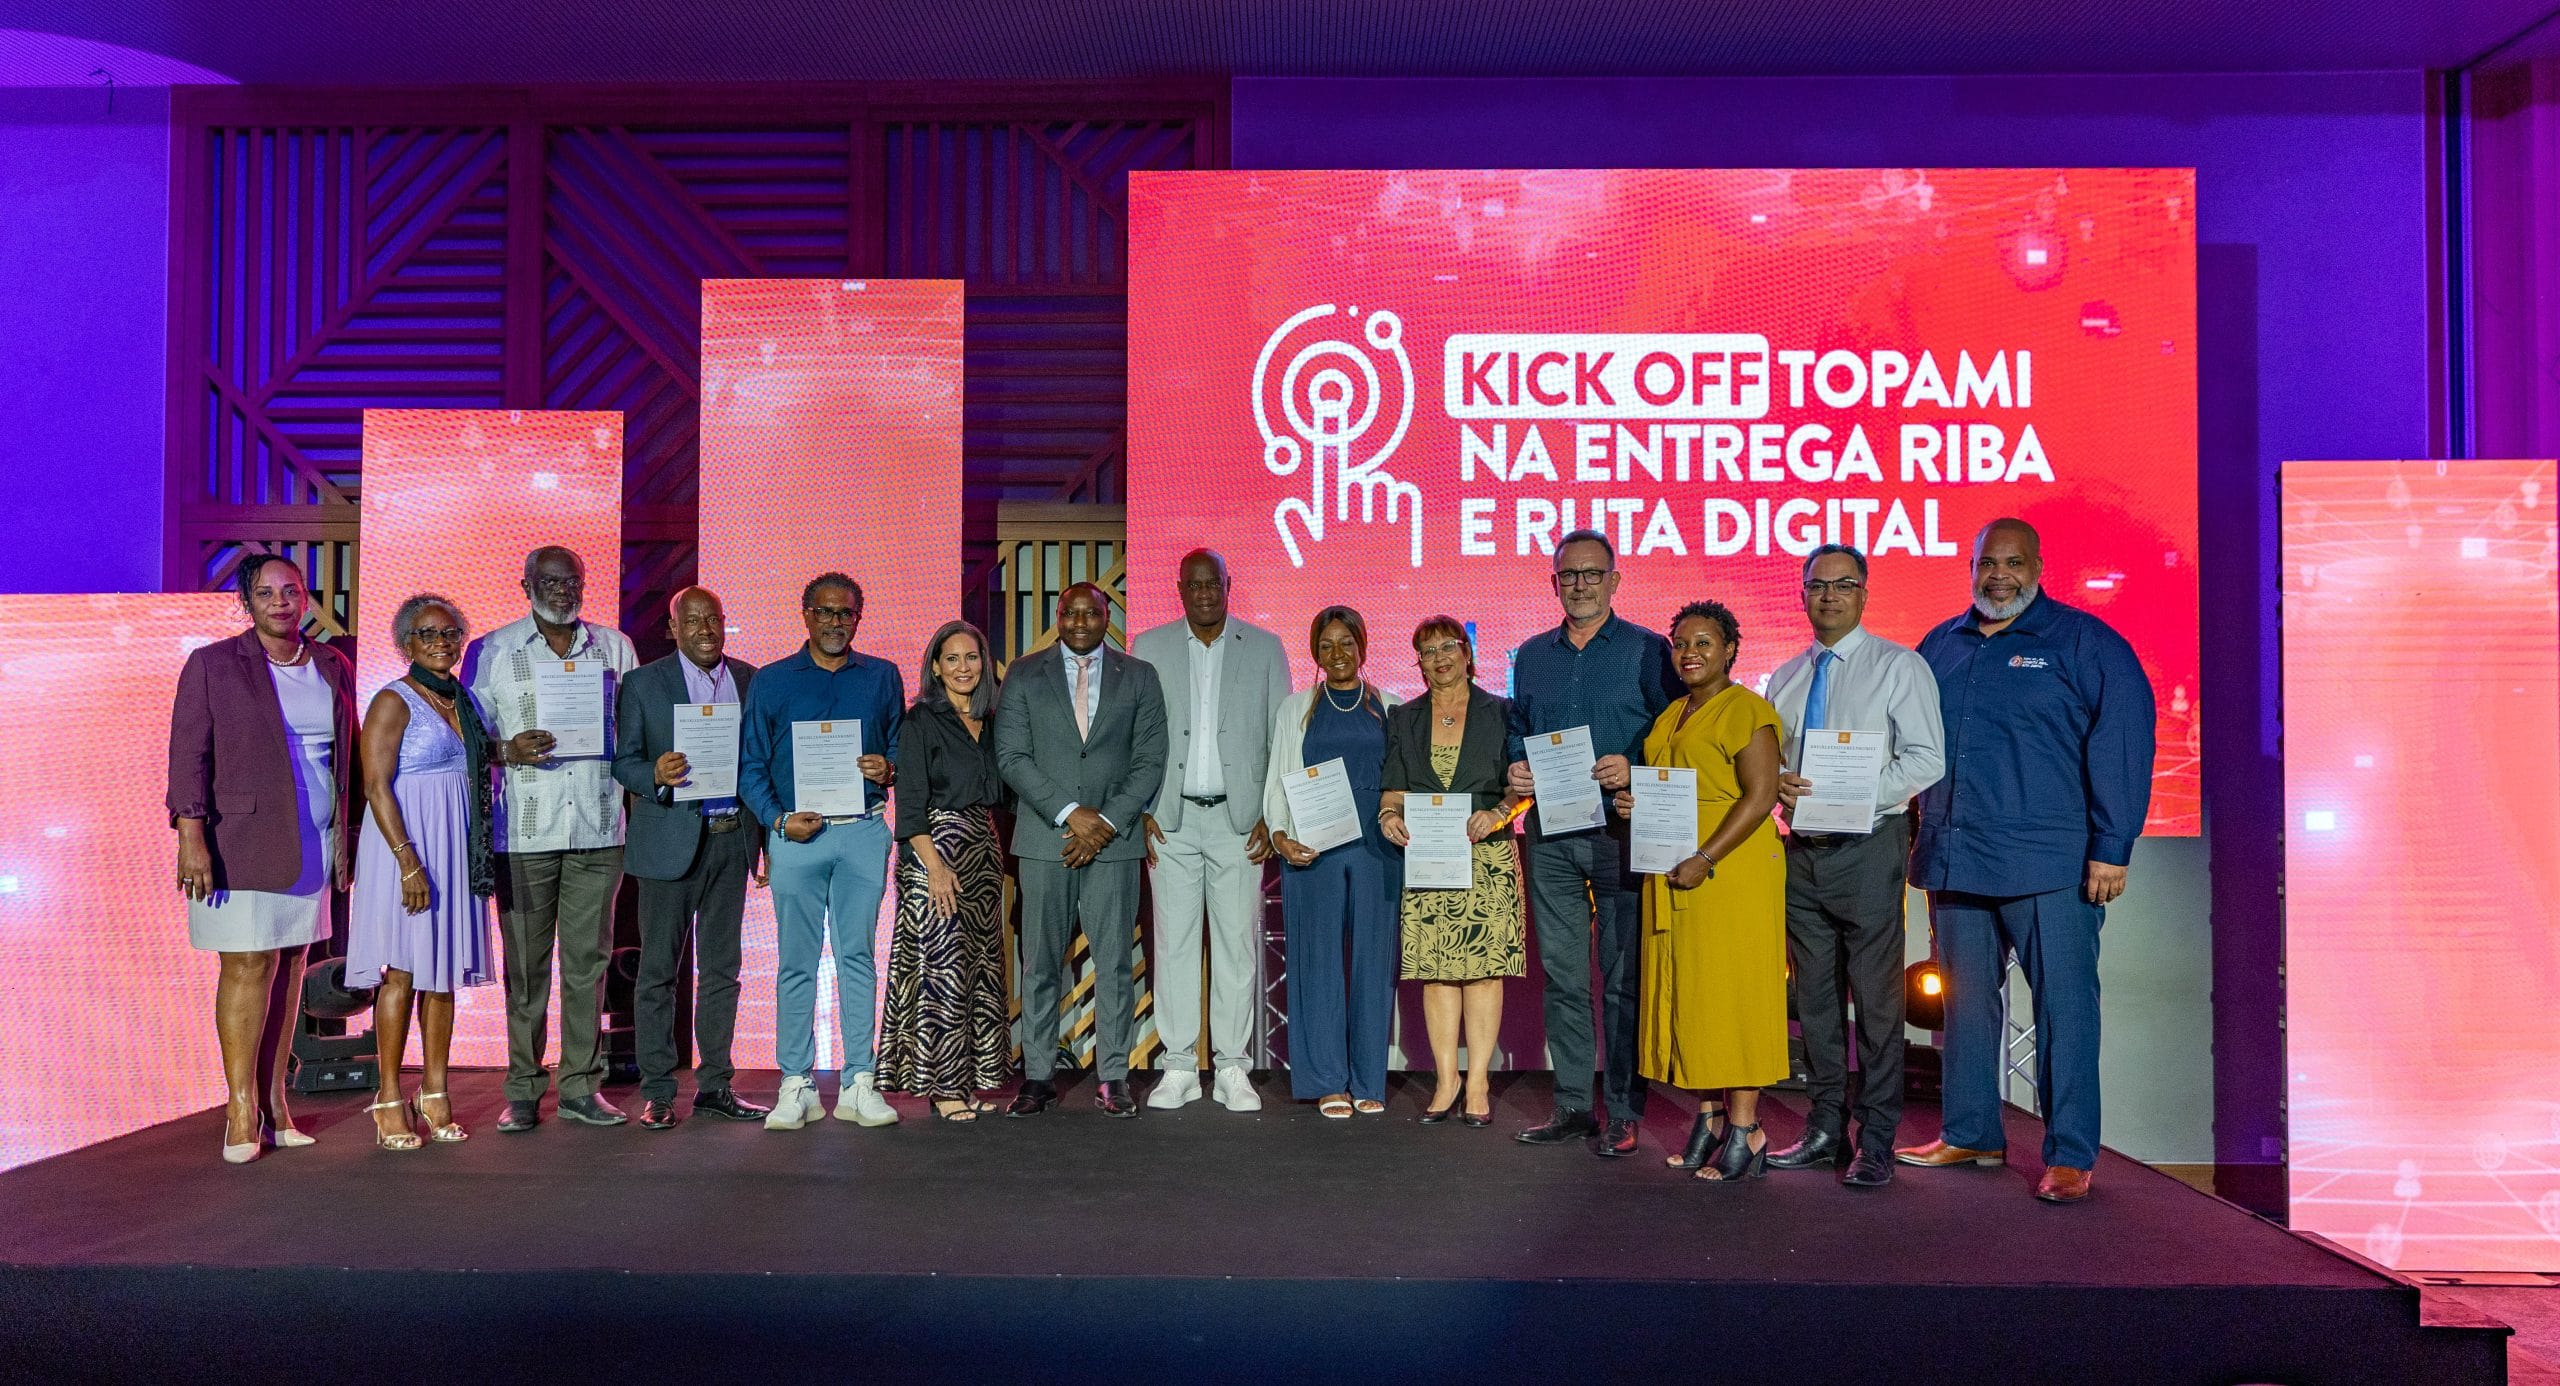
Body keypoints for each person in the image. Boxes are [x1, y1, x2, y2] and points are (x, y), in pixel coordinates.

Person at [1896, 518, 2156, 1204]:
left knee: (2065, 1012)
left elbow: (2123, 742)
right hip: (1956, 858)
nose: (1999, 576)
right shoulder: (1940, 646)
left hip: (2051, 864)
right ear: (1971, 567)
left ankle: (2069, 1154)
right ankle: (1971, 1132)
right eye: (1987, 563)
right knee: (1964, 1008)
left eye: (2013, 563)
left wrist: (2112, 846)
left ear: (2038, 567)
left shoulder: (2086, 643)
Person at [1763, 546, 1945, 1188]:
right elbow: (1775, 764)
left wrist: (1854, 795)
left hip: (1869, 847)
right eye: (1818, 585)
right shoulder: (1786, 677)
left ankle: (1876, 1139)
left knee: (1875, 1003)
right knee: (1814, 1002)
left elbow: (1926, 758)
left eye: (1843, 585)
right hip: (1803, 852)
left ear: (1864, 593)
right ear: (1802, 594)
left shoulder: (1899, 666)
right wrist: (1778, 783)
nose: (1830, 596)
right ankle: (1823, 1129)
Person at [168, 554, 358, 1163]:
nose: (281, 602)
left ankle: (276, 1105)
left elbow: (348, 754)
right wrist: (191, 835)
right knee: (248, 964)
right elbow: (188, 755)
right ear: (246, 602)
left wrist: (350, 835)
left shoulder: (331, 663)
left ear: (306, 598)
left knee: (292, 964)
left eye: (291, 591)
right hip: (240, 838)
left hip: (313, 836)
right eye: (266, 593)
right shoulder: (214, 664)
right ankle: (240, 1107)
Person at [1504, 529, 1685, 1156]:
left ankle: (1626, 1111)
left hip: (1621, 831)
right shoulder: (1532, 654)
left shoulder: (1649, 650)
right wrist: (1515, 765)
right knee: (1562, 978)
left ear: (1614, 580)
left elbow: (1677, 733)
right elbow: (1518, 727)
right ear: (1554, 582)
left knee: (1621, 979)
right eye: (1568, 575)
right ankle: (1574, 1105)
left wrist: (1636, 768)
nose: (1579, 585)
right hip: (1551, 834)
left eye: (1591, 574)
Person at [464, 545, 639, 1133]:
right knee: (526, 969)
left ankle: (581, 1088)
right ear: (527, 585)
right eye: (550, 581)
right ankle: (522, 1089)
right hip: (524, 831)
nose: (564, 590)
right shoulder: (492, 651)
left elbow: (634, 732)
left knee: (588, 966)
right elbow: (466, 739)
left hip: (597, 824)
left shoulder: (615, 648)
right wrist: (506, 750)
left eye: (573, 581)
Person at [1613, 602, 1789, 1182]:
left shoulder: (1748, 710)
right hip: (1674, 867)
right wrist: (1636, 803)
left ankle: (1747, 1128)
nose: (1690, 653)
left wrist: (1706, 857)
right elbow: (1672, 787)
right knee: (1694, 995)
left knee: (1733, 993)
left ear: (1730, 649)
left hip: (1728, 869)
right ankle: (1710, 1119)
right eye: (1681, 644)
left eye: (1704, 643)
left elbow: (1760, 796)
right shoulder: (1671, 714)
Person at [993, 583, 1169, 1119]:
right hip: (1045, 839)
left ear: (1107, 617)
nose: (1080, 621)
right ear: (1058, 615)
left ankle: (1113, 1077)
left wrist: (1106, 822)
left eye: (1091, 613)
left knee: (1114, 964)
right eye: (1071, 612)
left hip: (1114, 843)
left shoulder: (1139, 675)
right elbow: (1011, 756)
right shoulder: (1024, 673)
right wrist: (1072, 815)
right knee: (1040, 962)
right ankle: (1038, 1076)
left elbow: (1150, 759)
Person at [738, 573, 905, 1131]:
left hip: (861, 831)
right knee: (796, 962)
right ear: (806, 615)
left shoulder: (881, 676)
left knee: (858, 957)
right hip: (796, 835)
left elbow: (900, 746)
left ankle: (860, 1081)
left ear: (858, 617)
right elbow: (751, 765)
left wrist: (890, 768)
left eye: (846, 613)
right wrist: (777, 820)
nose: (836, 622)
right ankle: (797, 1083)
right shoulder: (772, 681)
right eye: (826, 612)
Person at [1133, 549, 1289, 1113]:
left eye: (1213, 583)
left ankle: (1231, 1068)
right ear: (1179, 588)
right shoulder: (1148, 647)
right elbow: (1135, 736)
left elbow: (1281, 739)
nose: (1204, 593)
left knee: (1235, 947)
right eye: (1194, 584)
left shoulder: (1265, 647)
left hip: (1239, 822)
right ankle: (1178, 1066)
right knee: (1173, 945)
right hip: (1169, 821)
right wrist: (1141, 808)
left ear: (1229, 584)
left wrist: (1273, 815)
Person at [610, 587, 771, 1130]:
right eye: (693, 620)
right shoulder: (643, 683)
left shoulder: (750, 680)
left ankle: (716, 1086)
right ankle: (658, 1091)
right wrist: (654, 774)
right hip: (667, 842)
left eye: (714, 619)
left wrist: (766, 840)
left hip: (732, 840)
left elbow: (760, 763)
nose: (706, 629)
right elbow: (624, 762)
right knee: (658, 972)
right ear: (673, 627)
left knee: (723, 971)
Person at [346, 594, 499, 1150]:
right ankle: (388, 1097)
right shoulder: (394, 699)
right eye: (428, 633)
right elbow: (374, 785)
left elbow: (473, 763)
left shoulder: (463, 699)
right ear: (405, 643)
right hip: (407, 848)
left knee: (443, 974)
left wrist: (514, 751)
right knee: (403, 972)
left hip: (455, 847)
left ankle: (434, 1092)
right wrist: (408, 860)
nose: (442, 642)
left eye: (450, 633)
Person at [1382, 617, 1527, 1129]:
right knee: (1436, 970)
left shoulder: (1503, 712)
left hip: (1485, 854)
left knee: (1483, 972)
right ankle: (1447, 1081)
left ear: (1468, 653)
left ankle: (1479, 1081)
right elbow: (1393, 788)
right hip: (1430, 855)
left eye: (1449, 647)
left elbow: (1523, 786)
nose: (1440, 657)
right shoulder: (1404, 717)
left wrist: (1499, 814)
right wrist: (1389, 816)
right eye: (1428, 651)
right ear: (1418, 663)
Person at [1262, 606, 1401, 1117]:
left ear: (1363, 647)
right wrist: (1280, 835)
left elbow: (1402, 777)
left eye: (1346, 643)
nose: (1337, 653)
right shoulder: (1296, 708)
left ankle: (1367, 1079)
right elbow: (1279, 776)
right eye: (1326, 645)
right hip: (1313, 844)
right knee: (1316, 960)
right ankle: (1326, 1080)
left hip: (1377, 845)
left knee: (1373, 961)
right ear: (1315, 653)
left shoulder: (1391, 706)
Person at [878, 620, 1012, 1121]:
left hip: (982, 854)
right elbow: (910, 805)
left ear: (985, 664)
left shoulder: (993, 722)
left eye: (971, 657)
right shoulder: (920, 721)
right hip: (933, 852)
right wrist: (934, 867)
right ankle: (942, 1087)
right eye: (951, 659)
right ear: (935, 667)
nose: (963, 668)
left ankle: (969, 1080)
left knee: (978, 969)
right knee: (942, 970)